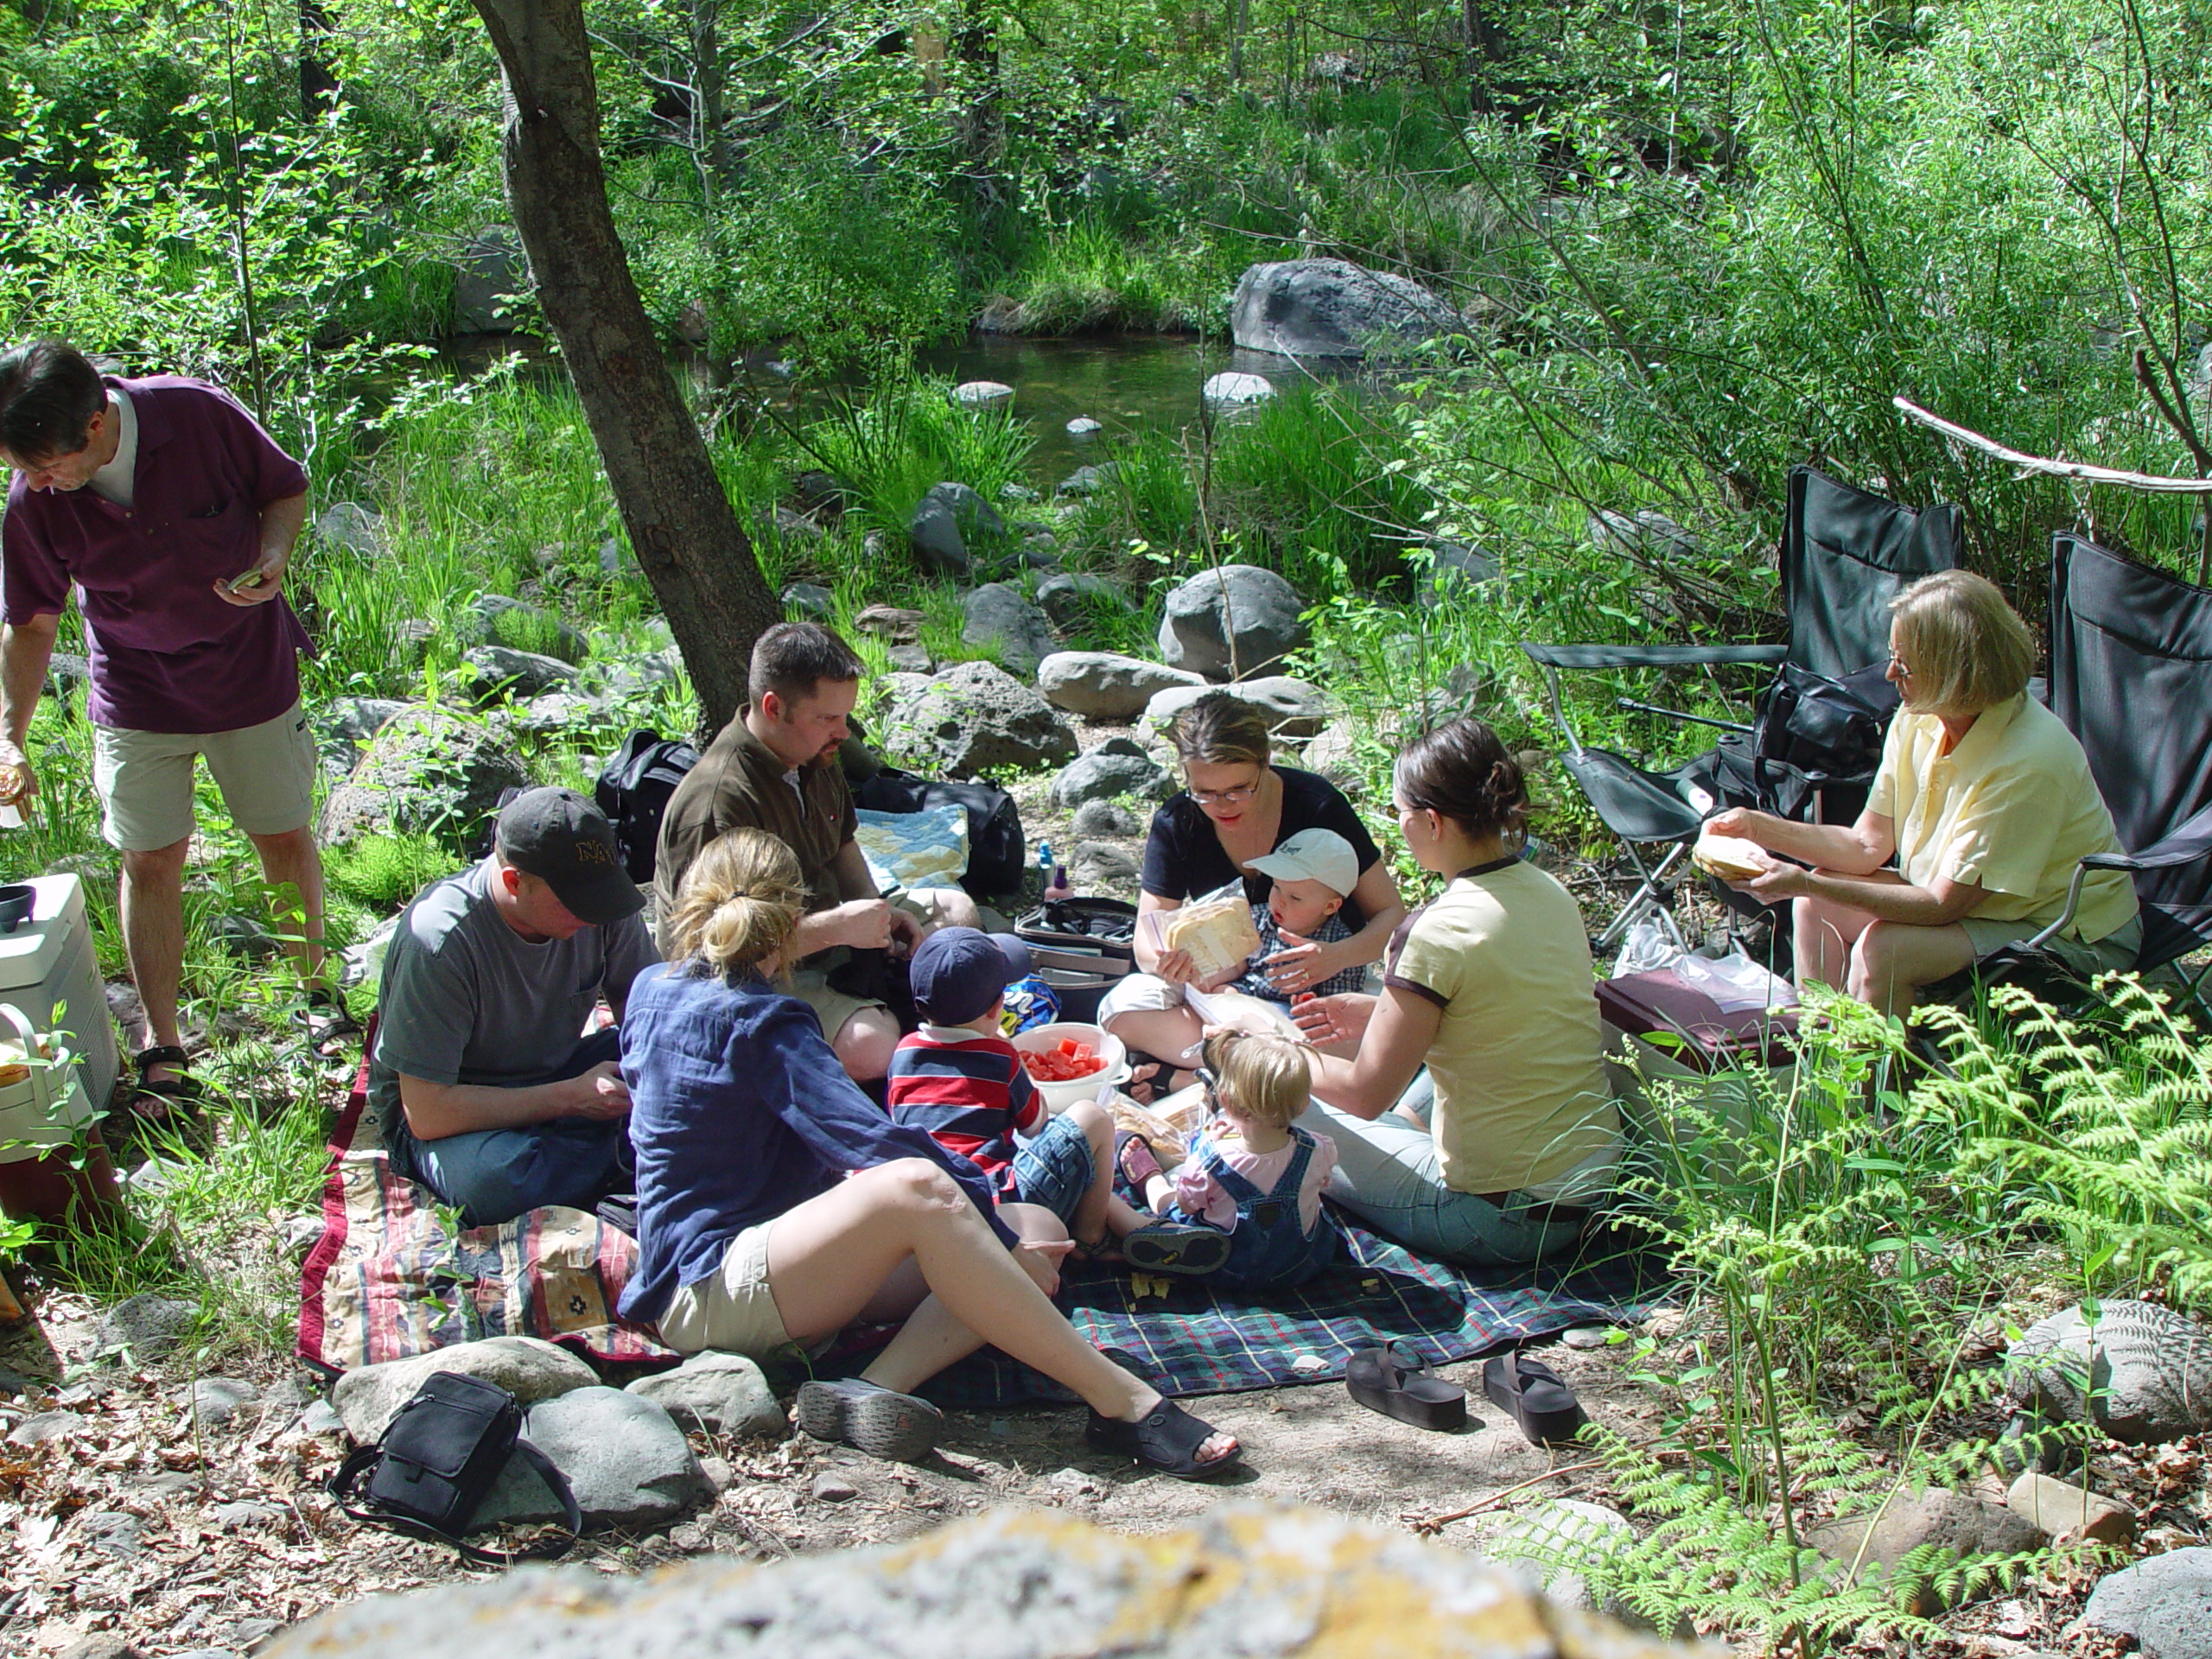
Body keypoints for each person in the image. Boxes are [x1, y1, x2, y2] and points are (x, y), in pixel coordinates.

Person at [618, 827, 1241, 1478]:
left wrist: (992, 1232)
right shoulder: (763, 1020)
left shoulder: (649, 987)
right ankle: (1125, 1403)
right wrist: (979, 1215)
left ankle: (868, 1391)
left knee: (1037, 1234)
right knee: (929, 1191)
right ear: (789, 923)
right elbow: (871, 1142)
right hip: (710, 1282)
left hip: (761, 1262)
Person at [0, 338, 346, 1116]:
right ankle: (163, 1042)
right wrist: (9, 737)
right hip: (134, 688)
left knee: (282, 838)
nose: (35, 481)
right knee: (149, 857)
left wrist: (274, 553)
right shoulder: (34, 501)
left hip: (247, 673)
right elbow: (31, 622)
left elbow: (284, 489)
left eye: (45, 464)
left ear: (95, 424)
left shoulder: (194, 415)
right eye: (22, 468)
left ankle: (314, 997)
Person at [1705, 570, 2140, 1015]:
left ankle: (1878, 1081)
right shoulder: (1921, 716)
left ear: (1958, 673)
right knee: (1813, 906)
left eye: (1906, 665)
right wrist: (1759, 828)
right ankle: (1823, 1057)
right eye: (1893, 656)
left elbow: (1941, 906)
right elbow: (1866, 845)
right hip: (1968, 901)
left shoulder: (2028, 762)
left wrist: (1805, 879)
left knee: (1885, 950)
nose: (1890, 673)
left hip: (2066, 931)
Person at [1290, 718, 1619, 1266]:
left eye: (1399, 814)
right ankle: (1414, 1135)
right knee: (1408, 1076)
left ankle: (1408, 1143)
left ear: (1432, 822)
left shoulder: (1437, 931)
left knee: (1291, 1107)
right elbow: (1507, 1014)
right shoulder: (1549, 890)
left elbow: (1366, 1096)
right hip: (1591, 1193)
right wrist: (1381, 1014)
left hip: (1497, 1219)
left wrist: (1279, 1053)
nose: (1398, 827)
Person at [653, 621, 981, 1083]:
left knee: (957, 910)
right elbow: (710, 958)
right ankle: (896, 1029)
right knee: (871, 1047)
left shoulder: (813, 755)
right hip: (763, 974)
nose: (842, 732)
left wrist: (882, 920)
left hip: (833, 937)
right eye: (828, 718)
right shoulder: (717, 804)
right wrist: (835, 930)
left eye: (845, 717)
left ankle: (900, 1007)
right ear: (773, 708)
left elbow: (843, 849)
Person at [370, 788, 659, 1229]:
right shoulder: (441, 941)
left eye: (600, 895)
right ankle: (632, 1154)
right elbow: (427, 1112)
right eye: (574, 902)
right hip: (459, 1112)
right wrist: (567, 1100)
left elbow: (651, 1012)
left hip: (559, 1069)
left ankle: (612, 1155)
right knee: (495, 1183)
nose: (592, 914)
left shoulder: (601, 907)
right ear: (513, 881)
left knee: (691, 1059)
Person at [887, 927, 1230, 1274]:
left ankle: (1140, 1229)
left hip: (930, 1201)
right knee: (1091, 1118)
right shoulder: (999, 1056)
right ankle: (1092, 1238)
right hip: (995, 1200)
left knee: (1073, 1163)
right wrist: (1010, 1056)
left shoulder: (902, 1055)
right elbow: (1036, 1126)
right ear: (996, 1009)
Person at [1101, 693, 1406, 1077]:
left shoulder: (1317, 806)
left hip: (1320, 990)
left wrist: (1335, 957)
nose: (1223, 806)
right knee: (1122, 1007)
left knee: (1377, 1034)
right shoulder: (1179, 821)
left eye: (1239, 789)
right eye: (1206, 793)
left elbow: (1392, 915)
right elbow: (1148, 933)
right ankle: (1264, 1065)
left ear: (1265, 763)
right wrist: (1165, 963)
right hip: (1226, 988)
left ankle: (1224, 1063)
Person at [1113, 827, 1369, 1066]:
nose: (1279, 901)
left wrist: (1307, 1005)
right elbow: (1235, 965)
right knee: (1218, 995)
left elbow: (1334, 1016)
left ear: (1330, 906)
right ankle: (1225, 1057)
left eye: (1295, 897)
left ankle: (1208, 1066)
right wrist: (1200, 971)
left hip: (1281, 1024)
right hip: (1231, 1005)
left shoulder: (1339, 949)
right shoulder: (1257, 917)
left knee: (1289, 1039)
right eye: (1276, 887)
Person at [1122, 1031, 1343, 1294]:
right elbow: (1322, 1185)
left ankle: (1148, 1179)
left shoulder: (1212, 1159)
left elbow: (1186, 1204)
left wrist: (1204, 1146)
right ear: (1304, 1103)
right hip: (1299, 1266)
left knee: (1168, 1204)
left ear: (1225, 1100)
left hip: (1226, 1266)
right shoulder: (1318, 1149)